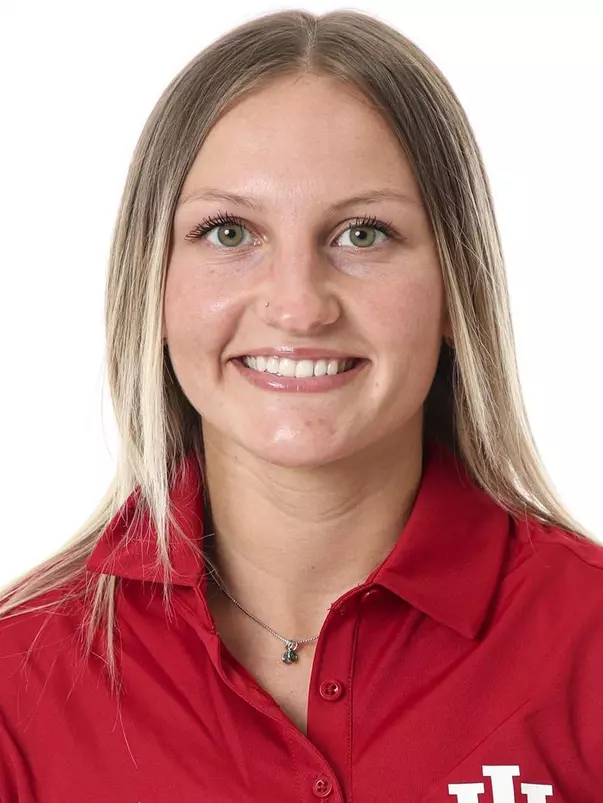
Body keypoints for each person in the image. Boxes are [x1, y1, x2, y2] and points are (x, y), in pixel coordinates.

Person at [0, 8, 601, 802]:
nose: (298, 305)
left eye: (362, 233)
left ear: (458, 287)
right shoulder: (20, 680)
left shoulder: (587, 646)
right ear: (153, 286)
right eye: (227, 232)